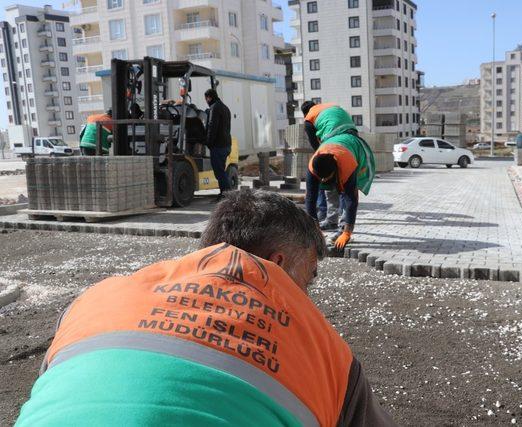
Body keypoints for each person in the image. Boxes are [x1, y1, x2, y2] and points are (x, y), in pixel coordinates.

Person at [16, 190, 395, 427]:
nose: (307, 298)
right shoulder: (325, 354)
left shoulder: (92, 303)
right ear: (277, 264)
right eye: (309, 279)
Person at [304, 105, 375, 250]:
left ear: (335, 168)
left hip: (349, 141)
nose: (323, 182)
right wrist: (314, 230)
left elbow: (351, 199)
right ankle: (331, 222)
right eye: (321, 179)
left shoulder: (347, 162)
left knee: (344, 191)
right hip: (341, 121)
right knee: (325, 192)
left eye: (327, 178)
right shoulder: (312, 166)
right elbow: (310, 199)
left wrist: (348, 232)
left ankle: (342, 228)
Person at [301, 100, 341, 230]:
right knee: (343, 188)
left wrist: (322, 157)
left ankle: (326, 218)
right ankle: (339, 221)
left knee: (326, 187)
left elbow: (315, 146)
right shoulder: (329, 110)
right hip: (345, 142)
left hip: (329, 148)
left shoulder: (309, 119)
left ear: (305, 113)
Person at [205, 87, 232, 201]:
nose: (206, 101)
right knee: (221, 171)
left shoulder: (214, 108)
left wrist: (209, 143)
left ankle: (227, 196)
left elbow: (212, 126)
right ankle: (225, 194)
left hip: (218, 146)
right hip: (226, 145)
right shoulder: (225, 108)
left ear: (209, 97)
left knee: (219, 172)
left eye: (206, 99)